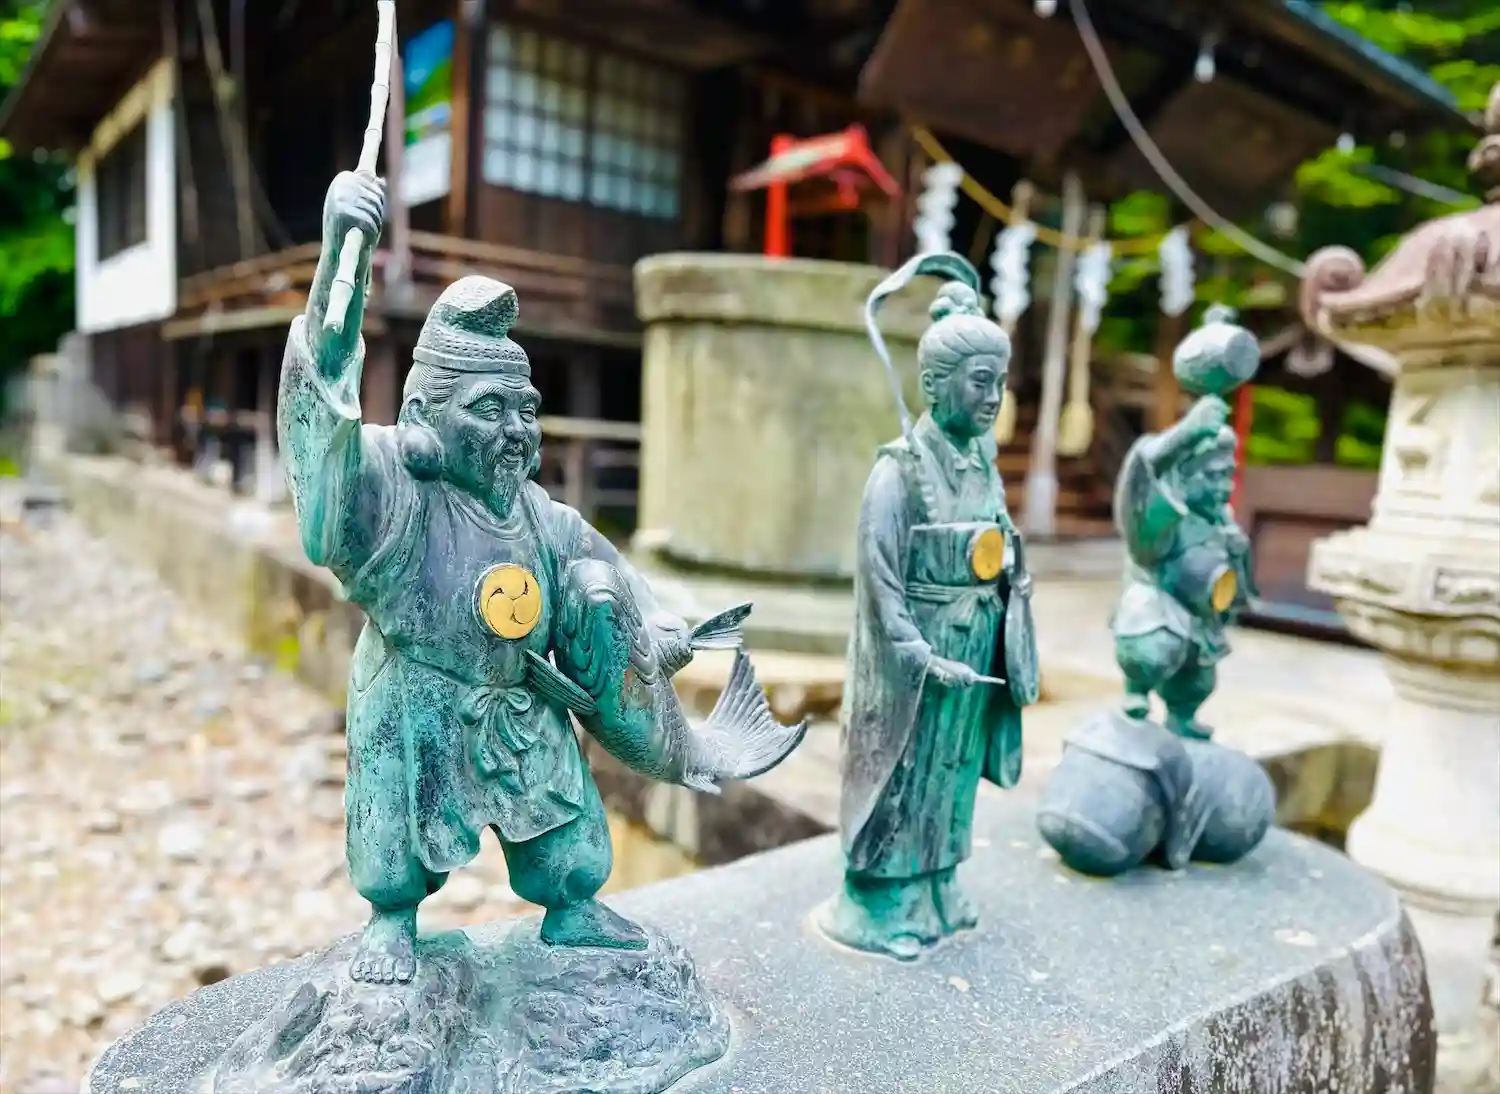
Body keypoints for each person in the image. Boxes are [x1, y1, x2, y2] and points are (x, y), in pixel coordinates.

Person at [278, 171, 802, 985]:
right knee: (394, 843)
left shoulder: (539, 516)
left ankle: (572, 905)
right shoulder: (392, 489)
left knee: (569, 840)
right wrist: (341, 257)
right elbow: (323, 419)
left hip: (522, 700)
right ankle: (392, 921)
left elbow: (613, 570)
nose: (517, 429)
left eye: (526, 409)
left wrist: (654, 628)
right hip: (417, 700)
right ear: (421, 418)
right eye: (489, 410)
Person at [822, 254, 1037, 961]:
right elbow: (880, 585)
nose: (993, 399)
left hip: (973, 647)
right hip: (915, 661)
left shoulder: (984, 469)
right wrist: (917, 655)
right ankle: (883, 900)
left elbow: (1000, 548)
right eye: (980, 382)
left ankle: (940, 883)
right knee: (906, 778)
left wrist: (1014, 579)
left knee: (953, 773)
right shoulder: (898, 473)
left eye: (999, 383)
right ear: (936, 384)